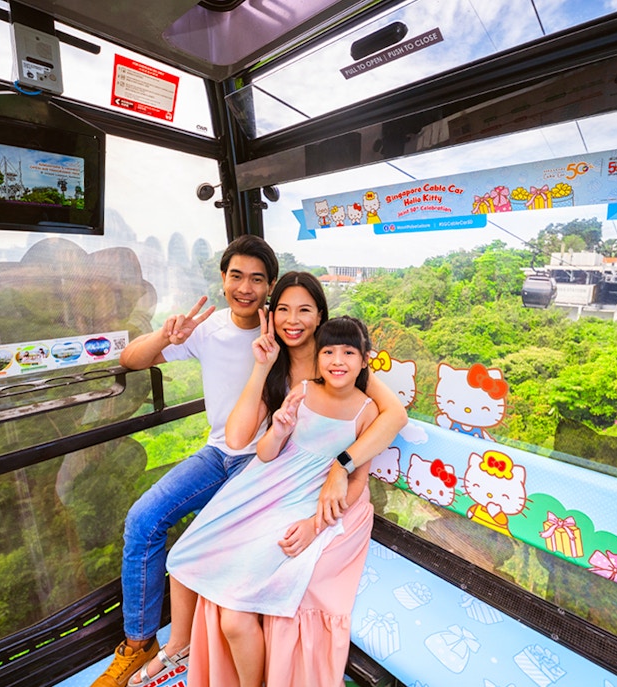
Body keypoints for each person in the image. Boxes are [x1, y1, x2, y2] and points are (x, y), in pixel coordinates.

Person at [95, 255, 405, 687]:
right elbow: (239, 437)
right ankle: (174, 646)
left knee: (229, 554)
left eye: (304, 310)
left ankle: (204, 642)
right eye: (284, 310)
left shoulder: (337, 363)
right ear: (270, 312)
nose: (292, 321)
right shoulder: (274, 361)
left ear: (320, 316)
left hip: (295, 479)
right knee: (164, 532)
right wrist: (262, 366)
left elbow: (392, 416)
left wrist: (342, 464)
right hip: (263, 461)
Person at [166, 316, 379, 687]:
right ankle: (180, 646)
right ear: (318, 357)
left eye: (348, 353)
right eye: (328, 351)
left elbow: (358, 479)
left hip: (308, 502)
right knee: (188, 554)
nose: (337, 360)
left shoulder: (367, 412)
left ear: (364, 360)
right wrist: (279, 430)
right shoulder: (303, 391)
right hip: (269, 489)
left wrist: (315, 525)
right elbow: (266, 454)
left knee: (235, 617)